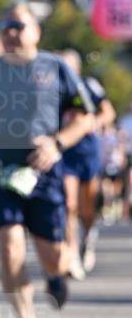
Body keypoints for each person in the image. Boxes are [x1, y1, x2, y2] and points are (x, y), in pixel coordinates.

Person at [0, 3, 94, 318]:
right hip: (1, 169)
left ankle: (55, 275)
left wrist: (57, 143)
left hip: (45, 171)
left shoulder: (56, 68)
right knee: (10, 244)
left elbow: (85, 117)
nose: (10, 32)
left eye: (18, 25)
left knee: (54, 256)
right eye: (4, 26)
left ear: (36, 31)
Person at [59, 50, 115, 276]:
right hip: (65, 154)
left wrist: (95, 122)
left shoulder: (88, 86)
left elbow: (108, 112)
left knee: (87, 208)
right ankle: (71, 253)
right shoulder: (54, 90)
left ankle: (88, 236)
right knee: (69, 204)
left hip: (87, 153)